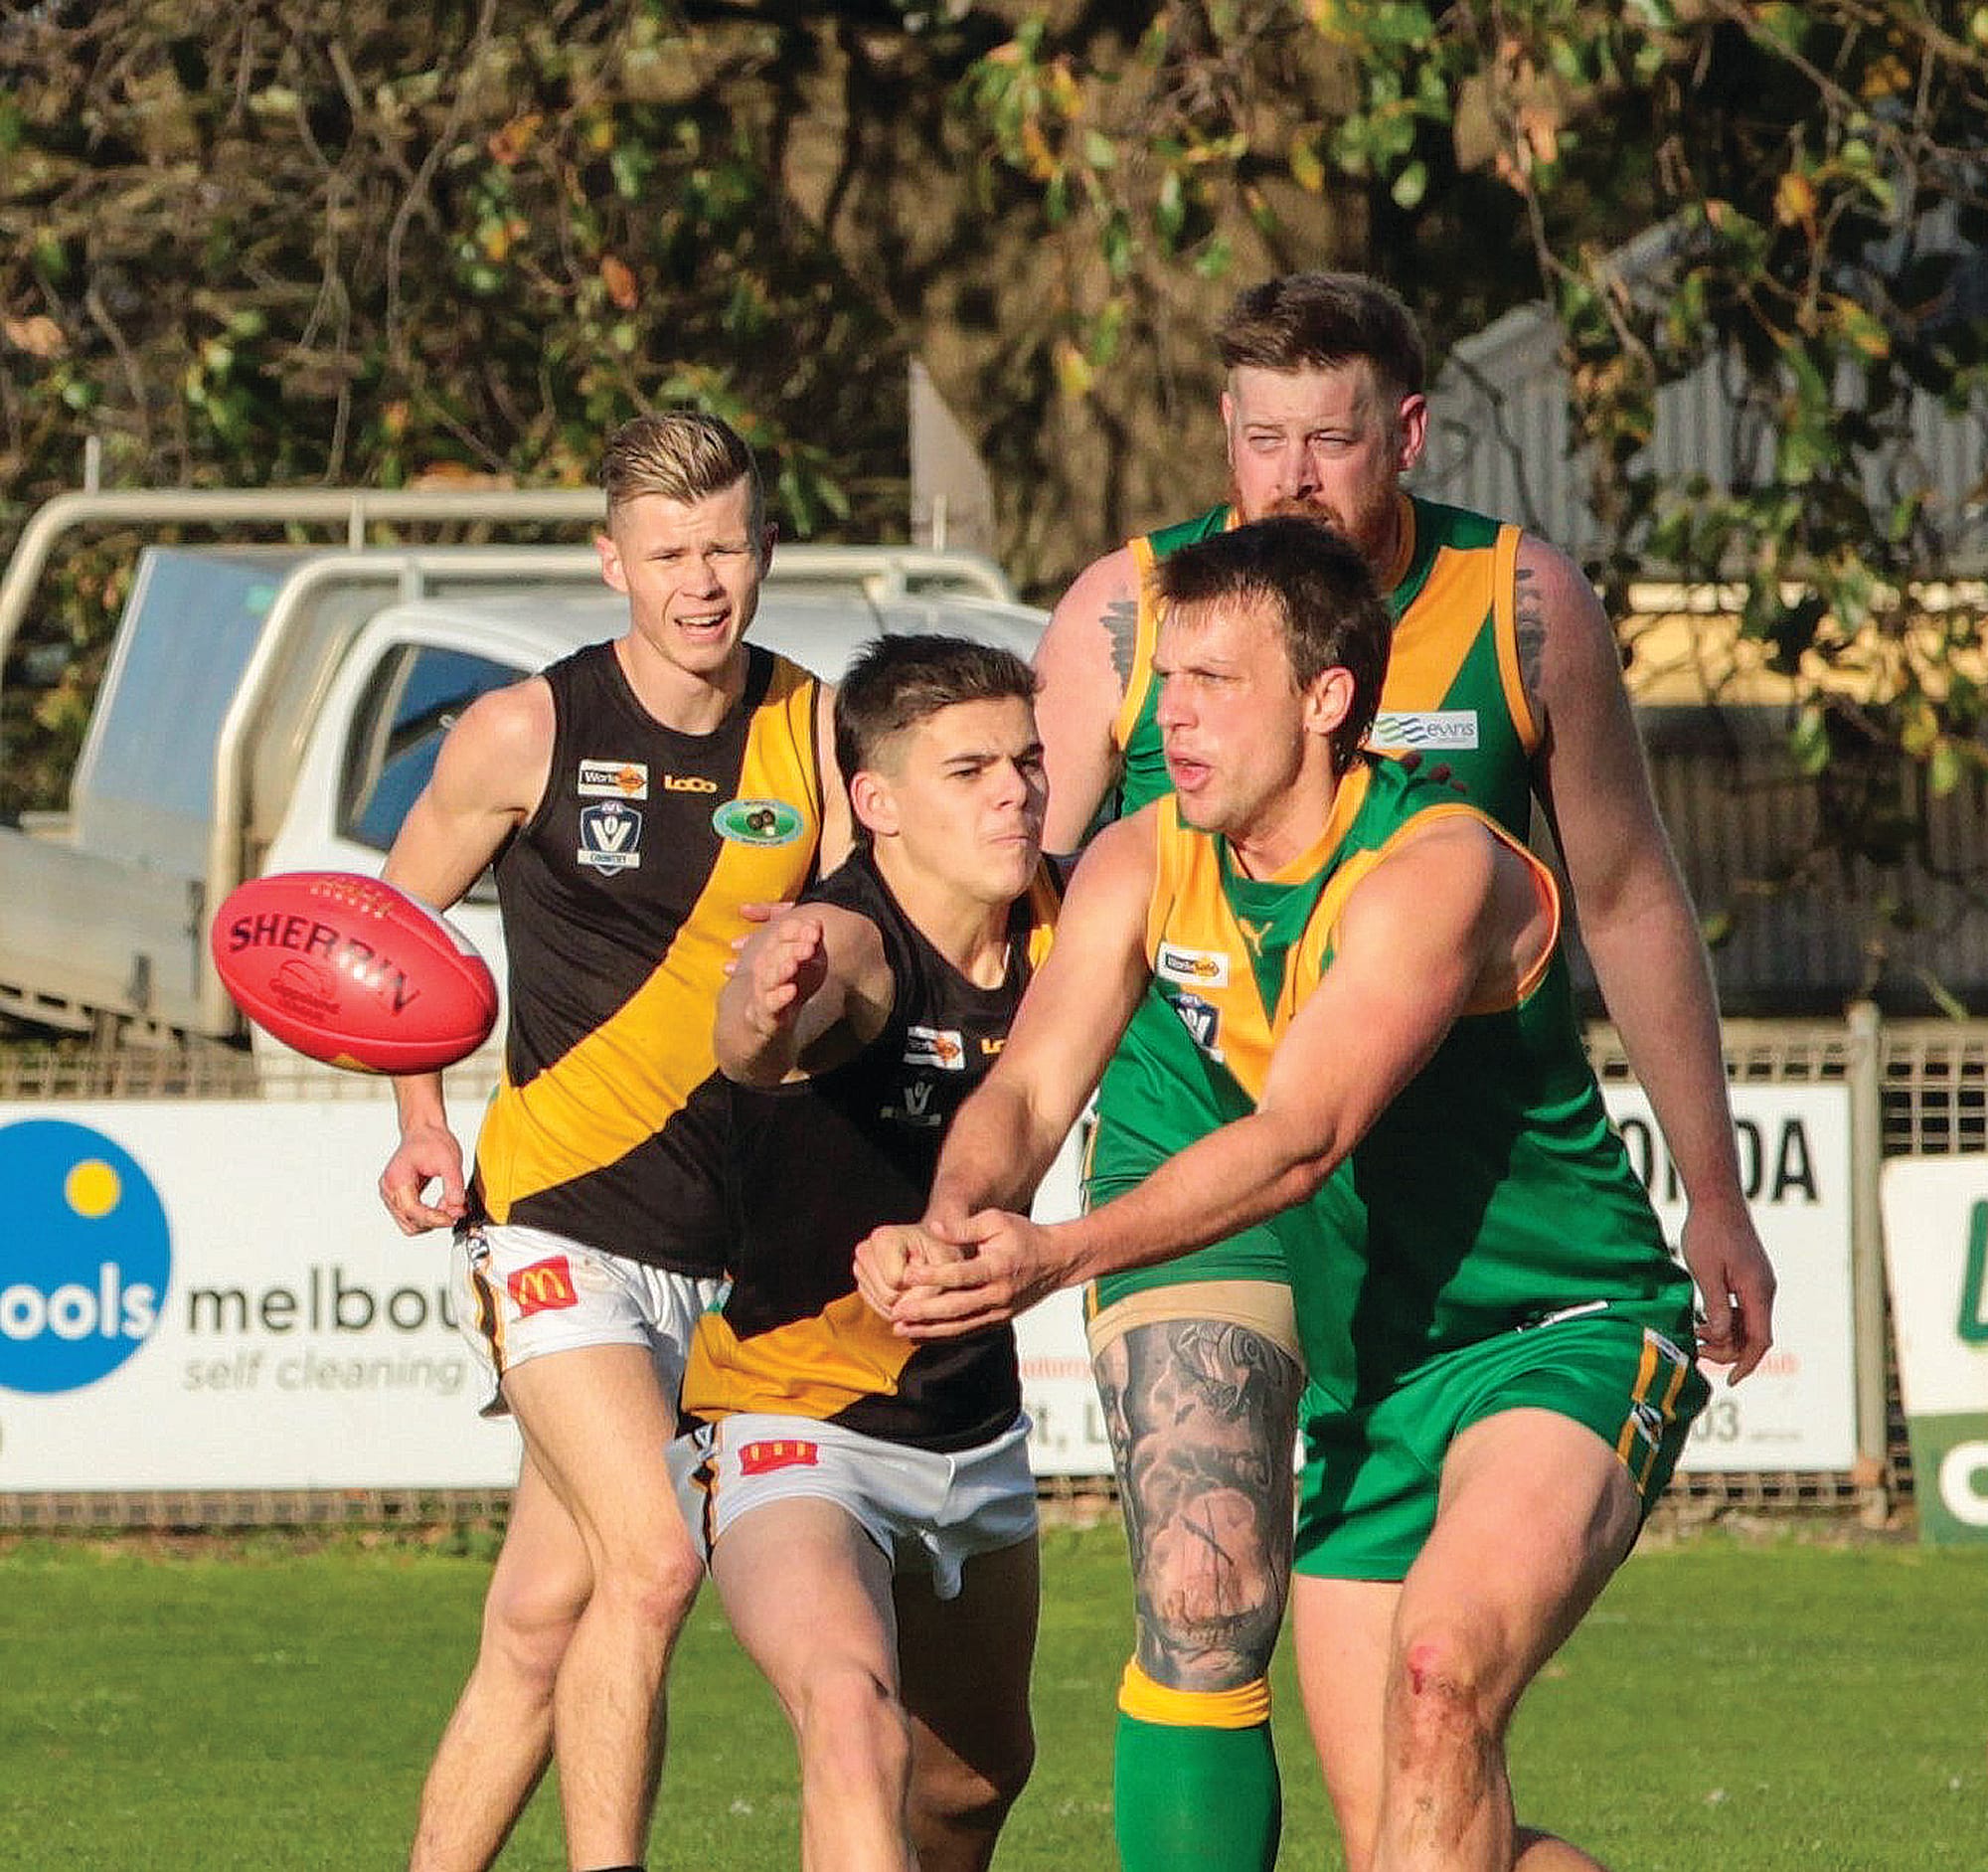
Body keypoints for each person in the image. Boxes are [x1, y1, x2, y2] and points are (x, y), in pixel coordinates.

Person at [858, 517, 1753, 1872]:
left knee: (1443, 1676)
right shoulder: (1139, 856)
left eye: (1217, 683)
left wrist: (1054, 1254)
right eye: (1169, 682)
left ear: (1327, 700)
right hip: (1366, 1379)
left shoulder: (1436, 865)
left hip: (1555, 1329)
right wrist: (955, 1221)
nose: (1176, 716)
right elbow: (1029, 1094)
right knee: (1415, 1827)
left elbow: (1300, 1138)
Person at [1024, 270, 1776, 1869]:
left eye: (1332, 438)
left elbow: (1630, 895)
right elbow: (1007, 888)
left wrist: (1713, 1190)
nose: (1292, 475)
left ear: (1408, 434)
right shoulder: (1126, 613)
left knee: (1438, 1718)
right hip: (1207, 1187)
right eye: (1261, 437)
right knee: (1206, 1600)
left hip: (1461, 1230)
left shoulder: (1516, 604)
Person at [376, 409, 851, 1872]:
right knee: (654, 1558)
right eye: (667, 553)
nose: (701, 581)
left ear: (765, 547)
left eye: (725, 545)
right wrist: (418, 1123)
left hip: (719, 1250)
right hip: (549, 1220)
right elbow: (390, 931)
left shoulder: (816, 726)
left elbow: (866, 949)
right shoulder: (528, 727)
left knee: (537, 1618)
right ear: (611, 563)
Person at [673, 634, 1057, 1872]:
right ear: (875, 802)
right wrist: (762, 1001)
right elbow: (759, 1038)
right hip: (794, 1419)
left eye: (1026, 759)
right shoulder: (847, 942)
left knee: (971, 1782)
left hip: (974, 1426)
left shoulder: (1070, 920)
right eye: (969, 769)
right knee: (852, 1721)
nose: (1013, 789)